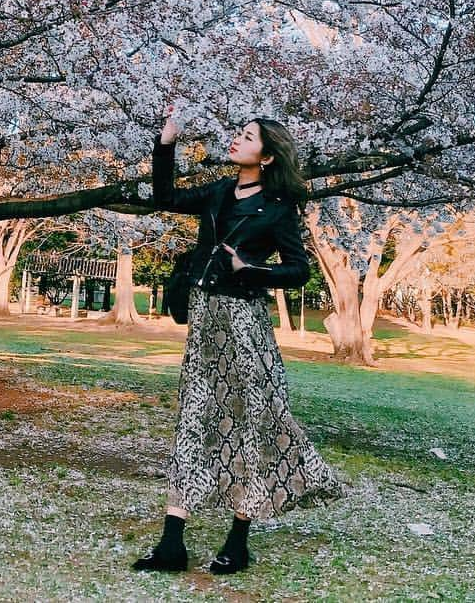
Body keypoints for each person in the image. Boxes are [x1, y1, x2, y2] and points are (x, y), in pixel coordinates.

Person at [132, 114, 343, 576]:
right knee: (193, 419)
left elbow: (298, 270)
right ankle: (172, 543)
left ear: (266, 157)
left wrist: (251, 268)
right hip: (206, 321)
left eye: (248, 137)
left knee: (252, 426)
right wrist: (166, 144)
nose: (236, 140)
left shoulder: (279, 207)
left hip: (246, 326)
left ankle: (238, 540)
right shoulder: (218, 192)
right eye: (240, 133)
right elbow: (164, 197)